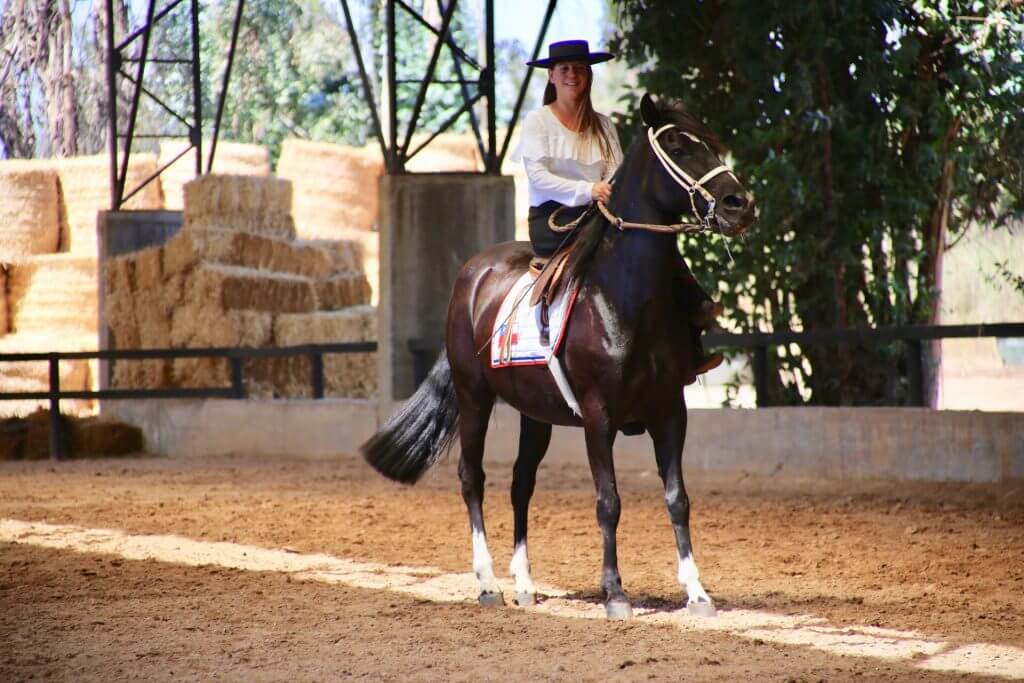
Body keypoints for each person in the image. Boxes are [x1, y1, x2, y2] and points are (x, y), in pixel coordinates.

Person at [515, 39, 722, 381]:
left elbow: (617, 172)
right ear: (551, 76)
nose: (572, 75)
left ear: (588, 75)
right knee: (589, 256)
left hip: (600, 211)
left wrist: (609, 192)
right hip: (554, 217)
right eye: (564, 69)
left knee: (651, 246)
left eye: (579, 69)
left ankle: (689, 341)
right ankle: (551, 335)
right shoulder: (538, 122)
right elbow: (538, 177)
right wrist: (588, 190)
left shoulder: (603, 124)